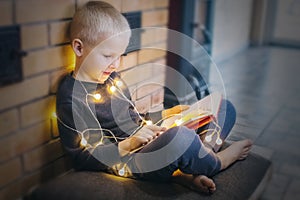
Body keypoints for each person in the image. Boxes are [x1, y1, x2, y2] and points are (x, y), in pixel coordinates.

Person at [56, 1, 253, 194]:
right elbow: (80, 158)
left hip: (148, 139)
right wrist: (130, 143)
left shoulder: (111, 77)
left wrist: (167, 114)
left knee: (222, 107)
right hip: (130, 159)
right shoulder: (71, 98)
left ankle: (193, 163)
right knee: (182, 138)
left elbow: (131, 117)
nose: (115, 64)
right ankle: (217, 162)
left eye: (120, 56)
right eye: (108, 56)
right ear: (79, 48)